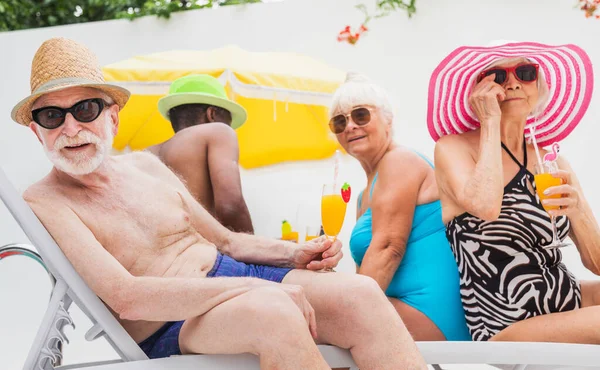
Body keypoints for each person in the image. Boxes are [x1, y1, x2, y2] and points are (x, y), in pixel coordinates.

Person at [14, 37, 426, 370]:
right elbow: (127, 297)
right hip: (171, 320)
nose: (71, 128)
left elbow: (228, 241)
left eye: (84, 108)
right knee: (272, 312)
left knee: (362, 294)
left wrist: (295, 252)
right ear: (38, 132)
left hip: (232, 274)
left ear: (113, 117)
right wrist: (254, 286)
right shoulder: (44, 199)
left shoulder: (145, 166)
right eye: (52, 116)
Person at [430, 41, 600, 342]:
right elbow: (486, 206)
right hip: (504, 324)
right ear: (478, 90)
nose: (512, 83)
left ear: (539, 85)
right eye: (497, 76)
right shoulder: (453, 148)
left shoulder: (551, 159)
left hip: (566, 302)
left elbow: (597, 264)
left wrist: (577, 211)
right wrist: (491, 121)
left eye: (524, 72)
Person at [329, 72, 470, 341]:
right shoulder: (362, 195)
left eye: (360, 115)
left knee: (318, 323)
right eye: (339, 122)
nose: (349, 127)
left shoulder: (399, 161)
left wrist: (341, 309)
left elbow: (388, 249)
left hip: (431, 311)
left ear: (388, 119)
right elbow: (365, 269)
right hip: (397, 306)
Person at [148, 74, 253, 233]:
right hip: (202, 249)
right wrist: (253, 245)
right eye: (228, 121)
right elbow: (230, 206)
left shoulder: (148, 152)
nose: (229, 127)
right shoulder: (219, 131)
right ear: (212, 114)